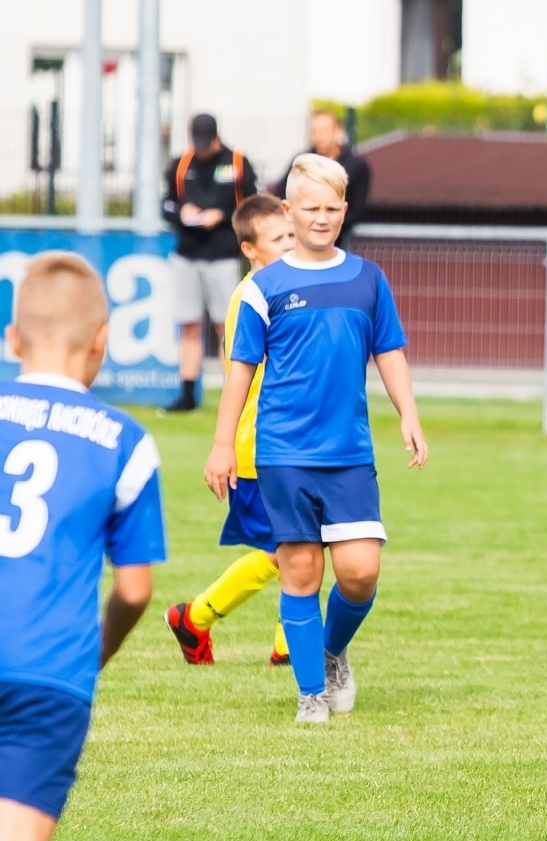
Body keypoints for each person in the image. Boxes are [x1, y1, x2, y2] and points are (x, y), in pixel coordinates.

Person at [0, 253, 166, 841]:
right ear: (103, 342)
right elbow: (136, 589)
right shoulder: (126, 444)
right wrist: (93, 656)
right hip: (48, 672)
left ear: (9, 337)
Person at [205, 153, 428, 723]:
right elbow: (240, 372)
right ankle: (311, 697)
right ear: (288, 210)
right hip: (282, 454)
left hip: (349, 453)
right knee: (301, 571)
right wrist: (222, 443)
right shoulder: (264, 288)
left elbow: (389, 351)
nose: (321, 218)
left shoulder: (367, 279)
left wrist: (409, 413)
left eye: (332, 208)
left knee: (360, 573)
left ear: (344, 209)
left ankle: (331, 654)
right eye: (310, 208)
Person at [166, 195, 296, 667]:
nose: (290, 243)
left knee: (301, 547)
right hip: (259, 446)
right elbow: (238, 376)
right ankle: (195, 617)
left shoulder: (289, 290)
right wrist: (224, 445)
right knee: (286, 553)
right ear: (250, 249)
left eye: (290, 234)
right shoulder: (250, 297)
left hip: (291, 443)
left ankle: (285, 644)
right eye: (278, 238)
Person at [161, 113, 258, 413]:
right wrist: (183, 214)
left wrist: (223, 216)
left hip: (224, 255)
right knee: (189, 325)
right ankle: (187, 394)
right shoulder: (180, 165)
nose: (202, 149)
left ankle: (236, 392)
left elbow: (252, 206)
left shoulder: (239, 163)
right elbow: (166, 205)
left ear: (217, 137)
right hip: (187, 254)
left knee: (225, 326)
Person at [271, 109, 371, 250]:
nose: (318, 136)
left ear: (338, 131)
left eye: (324, 130)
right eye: (314, 131)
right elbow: (280, 194)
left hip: (340, 241)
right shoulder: (301, 161)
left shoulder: (356, 165)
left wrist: (329, 222)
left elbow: (357, 208)